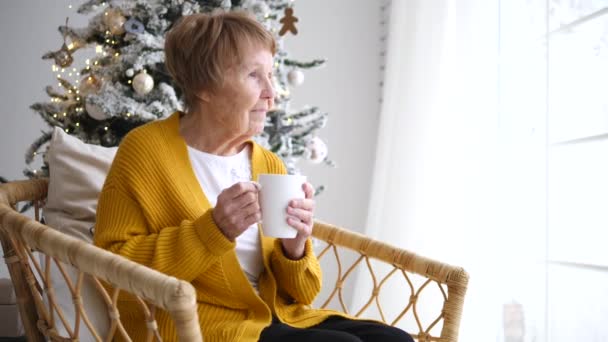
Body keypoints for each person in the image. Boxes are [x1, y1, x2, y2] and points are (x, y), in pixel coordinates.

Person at [94, 10, 414, 342]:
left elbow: (303, 294)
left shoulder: (268, 165)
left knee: (395, 341)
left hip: (275, 318)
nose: (271, 95)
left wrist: (295, 247)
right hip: (197, 328)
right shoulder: (145, 151)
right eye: (253, 76)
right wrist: (212, 230)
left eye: (271, 76)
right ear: (204, 85)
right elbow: (112, 273)